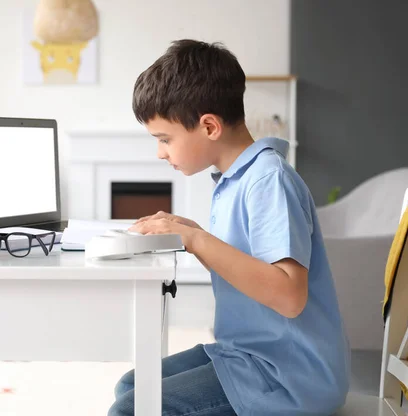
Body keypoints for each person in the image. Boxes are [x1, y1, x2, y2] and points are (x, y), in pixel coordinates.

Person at [108, 39, 350, 416]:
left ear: (209, 126)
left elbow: (289, 296)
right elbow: (246, 268)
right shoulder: (233, 180)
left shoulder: (268, 180)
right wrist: (187, 232)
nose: (160, 152)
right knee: (131, 386)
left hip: (287, 376)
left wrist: (198, 239)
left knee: (133, 407)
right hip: (247, 353)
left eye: (165, 139)